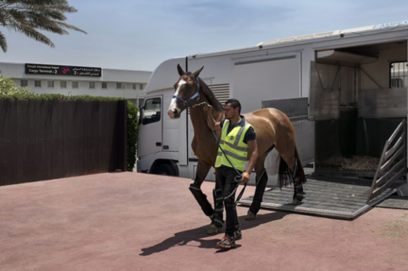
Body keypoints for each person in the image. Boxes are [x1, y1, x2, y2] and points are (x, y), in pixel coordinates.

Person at [204, 99, 258, 249]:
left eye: (227, 109)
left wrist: (248, 172)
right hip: (221, 167)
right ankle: (236, 230)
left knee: (228, 201)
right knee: (228, 200)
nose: (224, 112)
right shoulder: (225, 123)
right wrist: (208, 112)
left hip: (234, 170)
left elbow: (254, 151)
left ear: (236, 109)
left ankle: (229, 237)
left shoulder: (248, 129)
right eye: (224, 109)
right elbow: (212, 126)